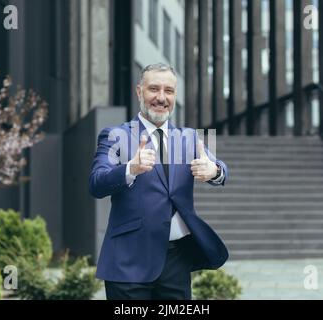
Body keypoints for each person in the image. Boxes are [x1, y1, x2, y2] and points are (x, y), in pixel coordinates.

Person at [89, 63, 229, 300]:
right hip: (127, 262)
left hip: (176, 261)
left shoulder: (189, 138)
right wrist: (131, 168)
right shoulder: (115, 135)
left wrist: (214, 171)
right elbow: (97, 183)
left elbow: (222, 170)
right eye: (154, 89)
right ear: (139, 92)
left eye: (169, 91)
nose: (161, 98)